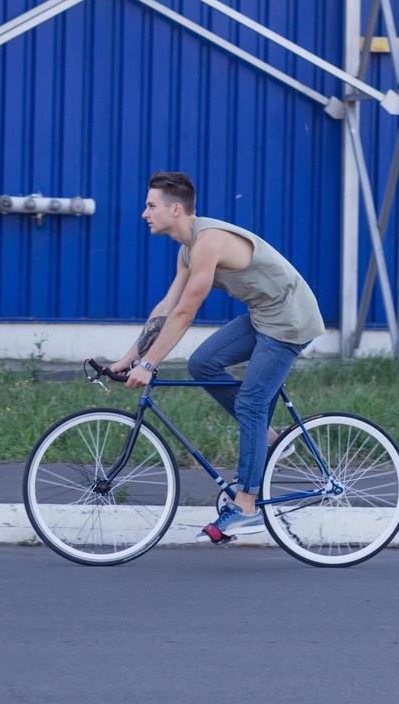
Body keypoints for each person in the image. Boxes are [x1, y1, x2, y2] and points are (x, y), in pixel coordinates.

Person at [106, 171, 326, 542]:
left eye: (150, 206)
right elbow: (166, 307)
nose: (144, 213)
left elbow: (185, 313)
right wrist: (128, 357)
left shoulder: (208, 242)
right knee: (202, 364)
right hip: (262, 315)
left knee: (252, 404)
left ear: (175, 209)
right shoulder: (187, 250)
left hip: (290, 319)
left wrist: (149, 364)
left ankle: (246, 506)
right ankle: (269, 440)